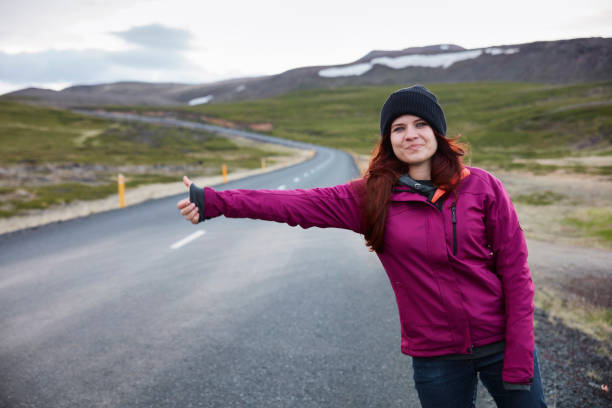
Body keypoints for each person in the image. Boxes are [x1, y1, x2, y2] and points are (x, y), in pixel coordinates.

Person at [176, 85, 547, 408]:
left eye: (420, 124)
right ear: (389, 140)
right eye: (398, 128)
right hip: (436, 356)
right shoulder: (371, 197)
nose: (410, 134)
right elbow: (292, 204)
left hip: (501, 344)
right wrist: (213, 201)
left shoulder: (481, 186)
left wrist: (517, 354)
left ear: (437, 132)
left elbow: (515, 272)